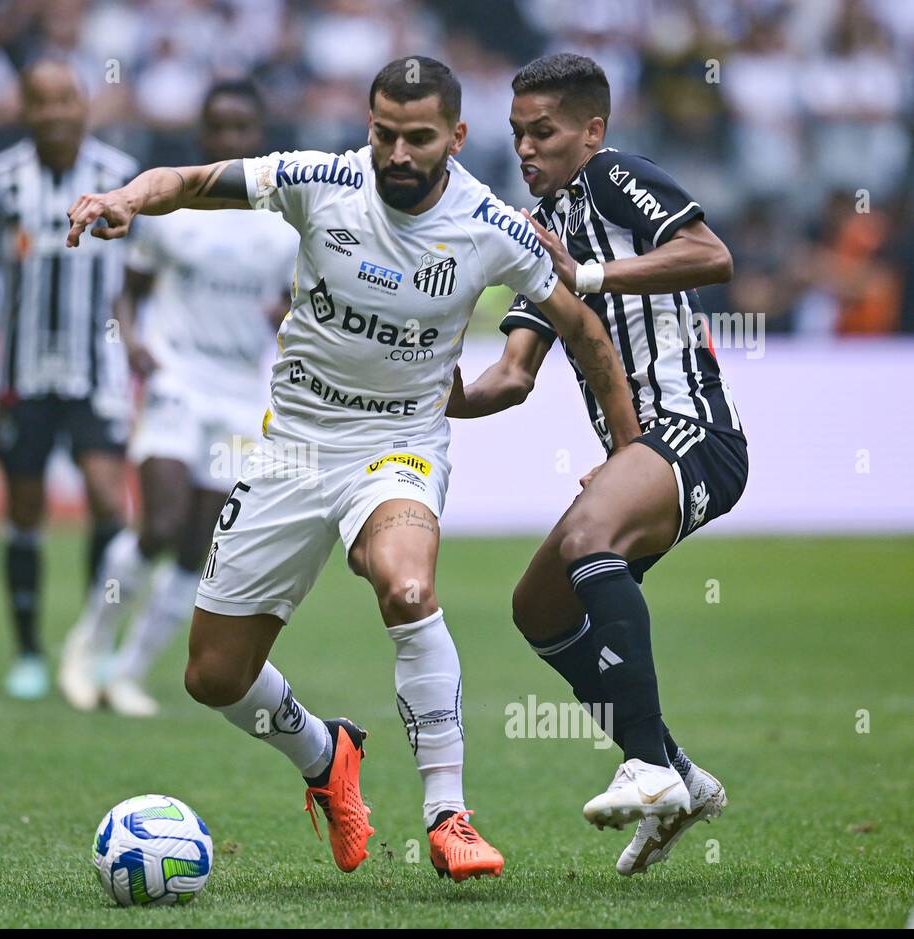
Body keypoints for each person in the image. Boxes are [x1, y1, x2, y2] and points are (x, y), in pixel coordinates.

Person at [65, 56, 639, 880]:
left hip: (399, 445)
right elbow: (189, 179)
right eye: (384, 134)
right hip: (293, 444)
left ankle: (450, 814)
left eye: (418, 138)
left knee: (406, 586)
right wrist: (125, 198)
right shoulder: (320, 180)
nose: (398, 154)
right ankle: (324, 755)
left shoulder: (491, 226)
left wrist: (623, 454)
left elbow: (585, 332)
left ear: (456, 137)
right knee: (213, 676)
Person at [457, 53, 746, 875]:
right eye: (516, 134)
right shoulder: (539, 231)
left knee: (590, 540)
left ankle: (649, 769)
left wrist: (588, 274)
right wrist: (435, 389)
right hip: (640, 449)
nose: (525, 149)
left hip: (696, 431)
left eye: (542, 131)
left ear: (592, 130)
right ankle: (679, 773)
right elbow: (511, 377)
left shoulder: (615, 179)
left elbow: (709, 252)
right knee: (538, 607)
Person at [58, 80, 297, 716]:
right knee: (158, 523)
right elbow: (128, 291)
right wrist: (133, 345)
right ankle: (89, 641)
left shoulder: (281, 228)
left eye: (243, 129)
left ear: (257, 139)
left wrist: (285, 317)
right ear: (205, 137)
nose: (231, 139)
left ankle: (126, 672)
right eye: (220, 128)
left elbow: (295, 302)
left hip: (241, 394)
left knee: (201, 544)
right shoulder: (172, 215)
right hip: (177, 381)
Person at [0, 59, 137, 700]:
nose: (55, 112)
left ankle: (95, 644)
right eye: (42, 101)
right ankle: (29, 652)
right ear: (24, 109)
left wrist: (138, 337)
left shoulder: (119, 176)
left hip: (99, 368)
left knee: (110, 499)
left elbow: (141, 270)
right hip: (21, 372)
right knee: (25, 508)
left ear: (84, 104)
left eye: (66, 99)